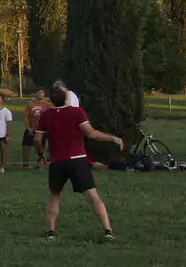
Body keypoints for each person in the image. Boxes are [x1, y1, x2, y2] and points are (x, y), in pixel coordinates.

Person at [36, 81, 122, 239]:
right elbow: (91, 134)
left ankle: (51, 231)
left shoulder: (45, 115)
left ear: (51, 100)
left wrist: (41, 154)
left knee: (54, 195)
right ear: (66, 99)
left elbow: (37, 139)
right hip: (77, 159)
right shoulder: (77, 112)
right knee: (92, 195)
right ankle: (108, 230)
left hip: (57, 161)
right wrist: (112, 137)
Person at [21, 89, 48, 169]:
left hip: (42, 130)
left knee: (39, 148)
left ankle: (39, 163)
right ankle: (25, 164)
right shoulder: (30, 104)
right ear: (36, 93)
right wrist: (28, 128)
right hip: (31, 129)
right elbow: (25, 117)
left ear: (44, 94)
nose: (40, 94)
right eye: (38, 92)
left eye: (42, 92)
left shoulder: (47, 104)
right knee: (26, 146)